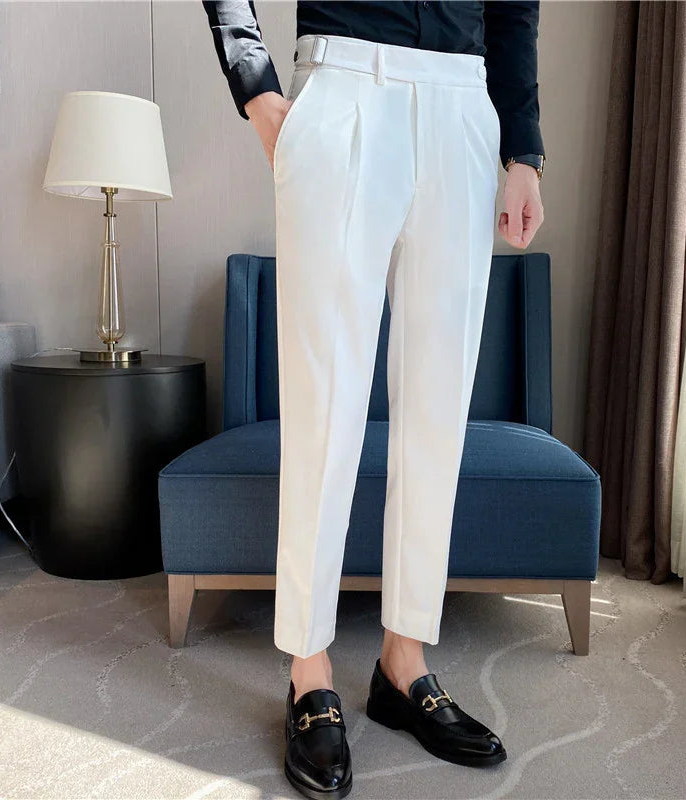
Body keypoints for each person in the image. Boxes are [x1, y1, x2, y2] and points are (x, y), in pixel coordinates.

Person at [202, 2, 545, 797]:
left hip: (464, 103)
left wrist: (522, 148)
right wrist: (255, 85)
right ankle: (309, 672)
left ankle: (403, 662)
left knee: (439, 403)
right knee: (324, 400)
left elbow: (515, 7)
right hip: (345, 84)